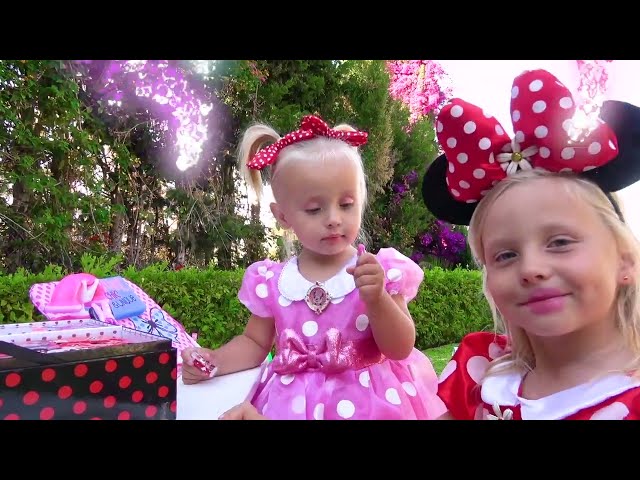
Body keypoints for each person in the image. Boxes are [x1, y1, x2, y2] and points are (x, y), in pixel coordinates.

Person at [181, 114, 446, 420]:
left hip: (368, 403)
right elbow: (254, 343)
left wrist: (377, 300)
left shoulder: (376, 270)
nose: (333, 218)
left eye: (346, 204)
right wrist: (215, 360)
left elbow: (400, 348)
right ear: (283, 216)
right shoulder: (273, 280)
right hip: (290, 405)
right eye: (314, 209)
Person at [421, 68, 640, 420]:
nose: (531, 269)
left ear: (625, 260)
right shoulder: (481, 372)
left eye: (560, 242)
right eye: (505, 255)